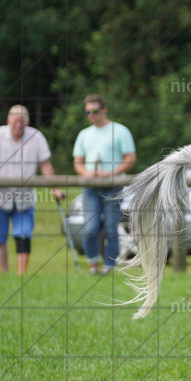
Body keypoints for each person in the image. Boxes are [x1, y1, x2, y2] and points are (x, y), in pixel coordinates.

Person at [0, 105, 64, 275]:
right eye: (15, 120)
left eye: (22, 120)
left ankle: (21, 276)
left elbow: (45, 164)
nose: (18, 124)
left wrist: (55, 188)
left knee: (23, 235)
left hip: (24, 197)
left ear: (27, 121)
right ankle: (5, 274)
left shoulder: (36, 137)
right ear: (8, 120)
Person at [72, 94, 136, 274]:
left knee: (110, 228)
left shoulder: (120, 131)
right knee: (90, 228)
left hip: (113, 186)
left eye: (94, 111)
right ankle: (93, 265)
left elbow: (130, 159)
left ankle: (109, 266)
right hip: (91, 187)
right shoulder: (84, 134)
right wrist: (87, 173)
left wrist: (112, 172)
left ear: (104, 110)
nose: (90, 115)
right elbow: (78, 161)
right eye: (87, 112)